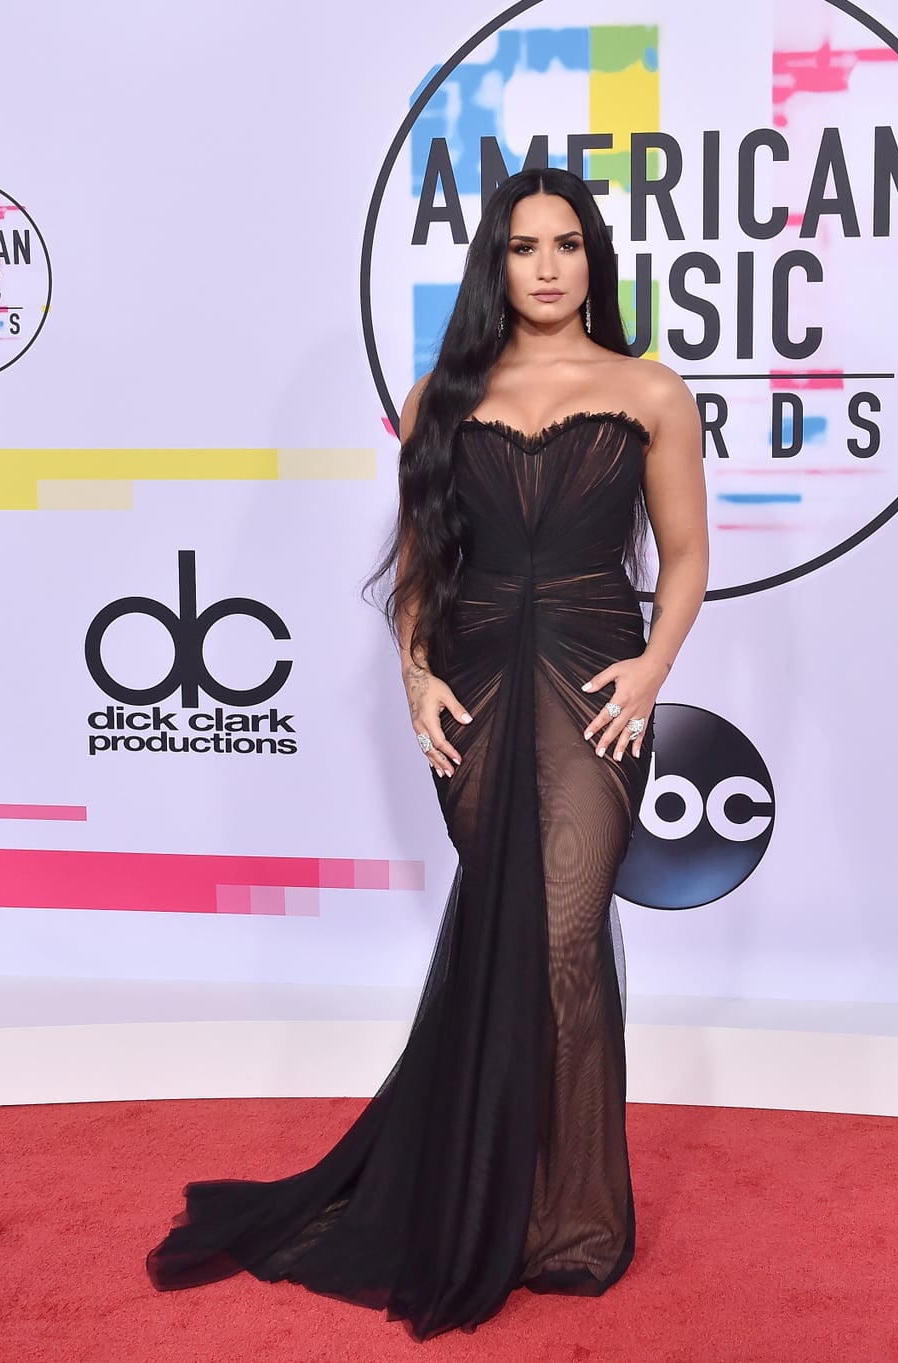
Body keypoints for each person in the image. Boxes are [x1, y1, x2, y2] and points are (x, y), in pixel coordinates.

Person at [144, 166, 709, 1341]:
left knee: (563, 934)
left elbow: (688, 556)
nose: (546, 266)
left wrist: (653, 673)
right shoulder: (439, 395)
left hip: (598, 680)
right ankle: (481, 1197)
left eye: (565, 243)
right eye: (520, 246)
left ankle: (570, 1218)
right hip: (474, 682)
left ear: (593, 258)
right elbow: (416, 565)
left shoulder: (652, 390)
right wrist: (413, 675)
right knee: (505, 931)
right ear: (490, 264)